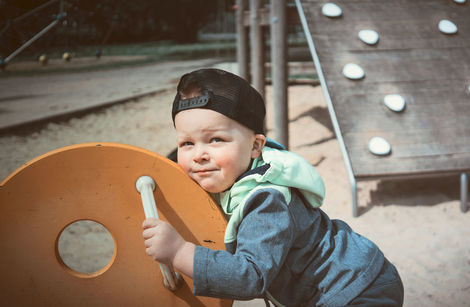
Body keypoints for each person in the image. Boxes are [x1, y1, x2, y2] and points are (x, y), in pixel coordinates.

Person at [142, 68, 404, 306]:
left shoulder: (266, 199)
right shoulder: (233, 179)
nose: (199, 154)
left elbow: (251, 276)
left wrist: (178, 252)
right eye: (187, 143)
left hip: (356, 290)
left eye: (216, 139)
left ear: (256, 146)